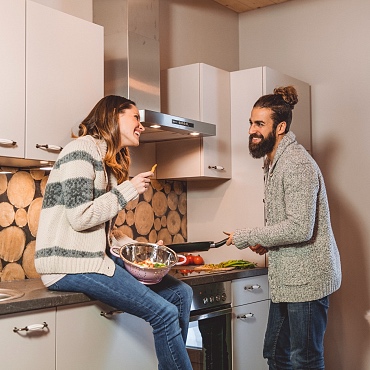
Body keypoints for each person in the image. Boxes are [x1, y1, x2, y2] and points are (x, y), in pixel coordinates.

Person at [35, 95, 193, 370]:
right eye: (135, 118)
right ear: (114, 116)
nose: (141, 126)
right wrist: (128, 189)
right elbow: (80, 216)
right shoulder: (79, 152)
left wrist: (138, 248)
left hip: (90, 260)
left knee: (181, 294)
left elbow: (99, 232)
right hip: (68, 265)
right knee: (164, 314)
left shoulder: (102, 158)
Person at [225, 86, 342, 370]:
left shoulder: (296, 163)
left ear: (280, 127)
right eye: (251, 122)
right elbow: (290, 223)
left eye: (259, 124)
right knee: (276, 353)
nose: (252, 129)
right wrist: (269, 242)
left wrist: (249, 236)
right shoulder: (274, 162)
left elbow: (301, 228)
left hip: (307, 280)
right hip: (287, 281)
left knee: (305, 359)